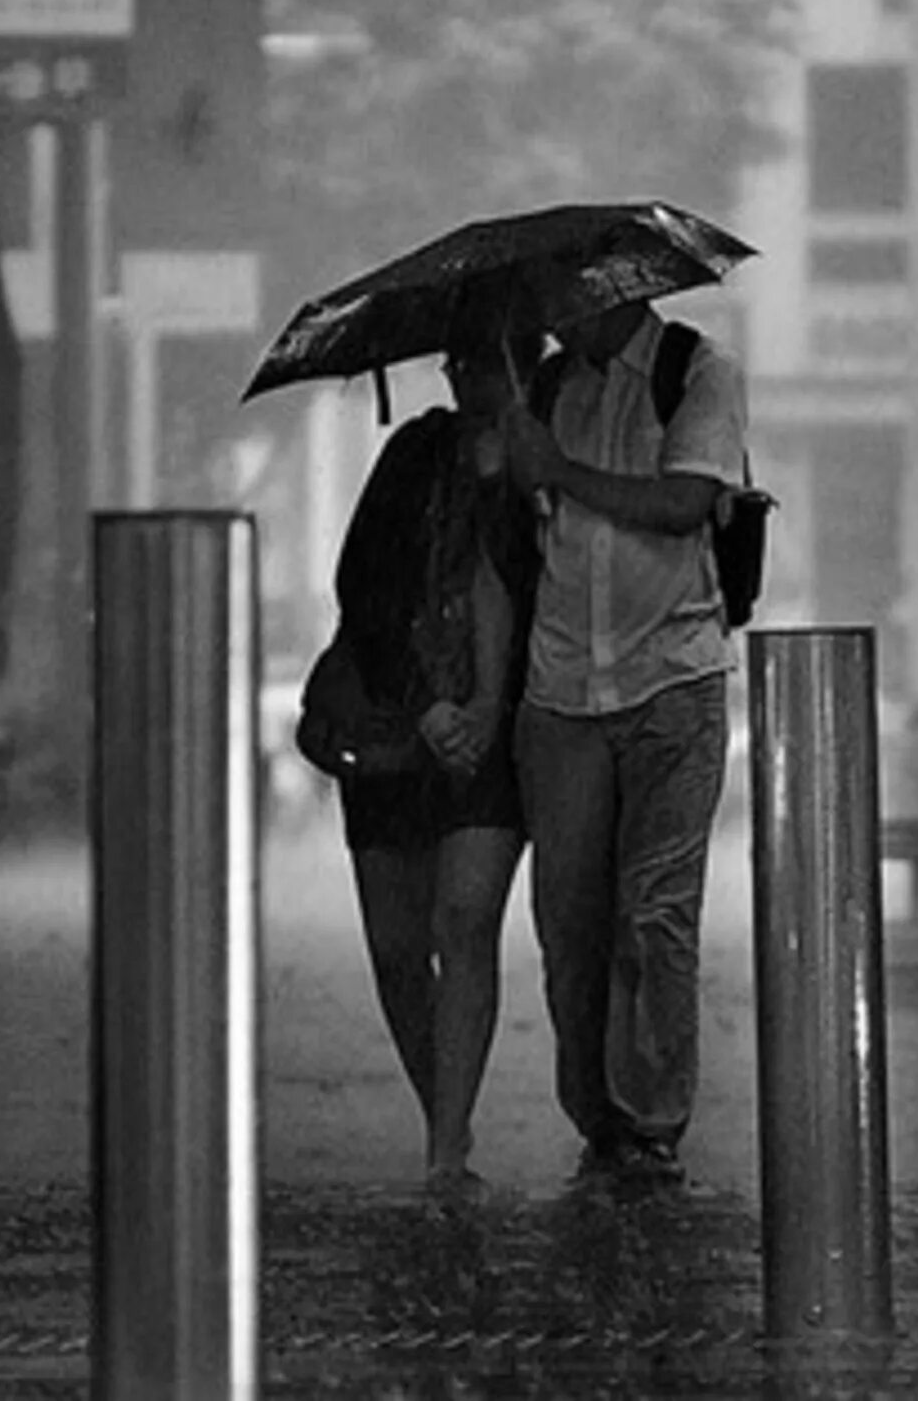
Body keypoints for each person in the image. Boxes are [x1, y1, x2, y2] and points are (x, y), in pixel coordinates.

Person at [499, 295, 748, 1188]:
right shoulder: (553, 382)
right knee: (569, 921)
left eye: (575, 298)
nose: (563, 319)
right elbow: (530, 524)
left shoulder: (698, 370)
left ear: (619, 290)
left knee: (655, 912)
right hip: (562, 689)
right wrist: (518, 451)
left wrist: (560, 469)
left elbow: (686, 501)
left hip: (671, 678)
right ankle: (595, 1110)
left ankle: (652, 1121)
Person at [295, 317, 541, 1198]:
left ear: (524, 356)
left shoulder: (545, 462)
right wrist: (427, 701)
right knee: (399, 952)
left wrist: (485, 708)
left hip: (496, 738)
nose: (464, 371)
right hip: (397, 731)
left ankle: (446, 1149)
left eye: (485, 355)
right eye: (460, 358)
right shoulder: (414, 455)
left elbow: (550, 593)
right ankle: (447, 1114)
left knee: (464, 920)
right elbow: (362, 583)